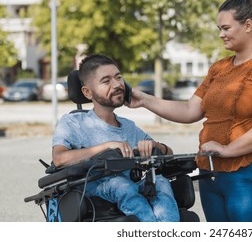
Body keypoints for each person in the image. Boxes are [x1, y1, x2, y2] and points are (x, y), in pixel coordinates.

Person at [129, 0, 252, 222]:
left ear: (247, 25)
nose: (221, 34)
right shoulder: (219, 68)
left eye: (226, 28)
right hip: (212, 173)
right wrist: (145, 100)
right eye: (219, 29)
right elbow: (189, 110)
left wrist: (227, 150)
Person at [52, 54, 180, 222]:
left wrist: (156, 146)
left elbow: (168, 153)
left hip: (134, 186)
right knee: (120, 184)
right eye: (106, 81)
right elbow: (59, 158)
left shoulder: (128, 126)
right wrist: (107, 146)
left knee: (161, 182)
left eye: (119, 78)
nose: (117, 84)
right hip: (95, 189)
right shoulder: (73, 122)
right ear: (87, 92)